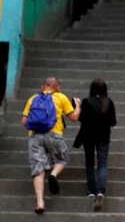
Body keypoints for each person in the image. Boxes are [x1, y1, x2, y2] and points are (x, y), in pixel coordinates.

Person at [22, 77, 81, 214]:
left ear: (43, 87)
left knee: (38, 169)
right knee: (62, 158)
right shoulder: (61, 97)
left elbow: (24, 122)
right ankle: (54, 174)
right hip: (54, 135)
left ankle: (40, 203)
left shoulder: (33, 99)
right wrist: (77, 104)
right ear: (57, 87)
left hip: (35, 136)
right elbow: (74, 117)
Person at [74, 78, 117, 212]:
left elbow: (81, 118)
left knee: (90, 162)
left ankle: (91, 190)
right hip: (104, 136)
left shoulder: (86, 101)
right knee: (102, 163)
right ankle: (101, 190)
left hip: (88, 136)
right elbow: (113, 122)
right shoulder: (109, 102)